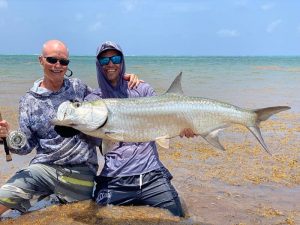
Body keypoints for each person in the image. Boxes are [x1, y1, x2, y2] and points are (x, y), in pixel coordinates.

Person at [0, 39, 140, 216]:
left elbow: (106, 102)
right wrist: (7, 137)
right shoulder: (28, 101)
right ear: (41, 60)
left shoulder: (78, 87)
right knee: (7, 195)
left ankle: (50, 200)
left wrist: (121, 78)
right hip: (44, 169)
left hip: (82, 172)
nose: (57, 66)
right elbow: (27, 146)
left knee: (54, 214)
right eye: (52, 60)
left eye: (63, 61)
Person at [86, 41, 196, 217]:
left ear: (122, 61)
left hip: (151, 176)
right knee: (98, 218)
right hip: (114, 179)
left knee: (179, 217)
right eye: (104, 61)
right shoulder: (93, 100)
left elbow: (165, 113)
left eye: (115, 58)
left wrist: (184, 127)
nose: (111, 64)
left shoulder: (141, 88)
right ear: (98, 65)